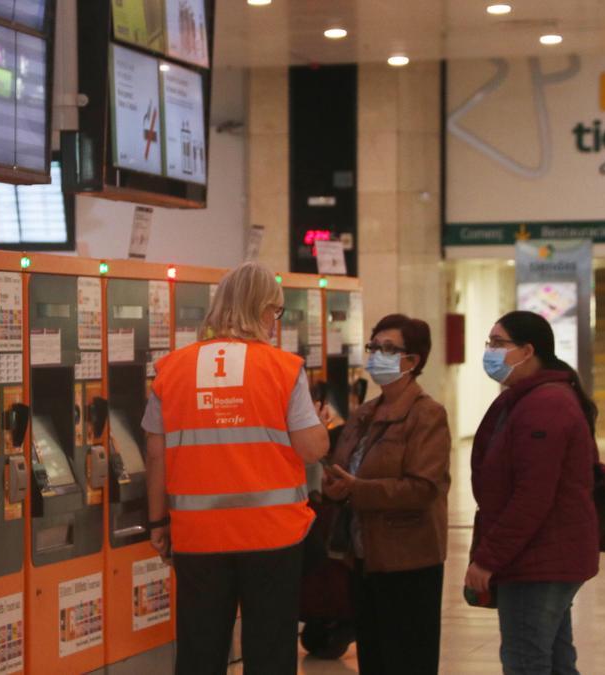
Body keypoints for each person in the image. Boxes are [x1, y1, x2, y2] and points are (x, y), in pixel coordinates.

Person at [141, 261, 330, 675]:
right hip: (272, 535)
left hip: (197, 535)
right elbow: (312, 449)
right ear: (262, 309)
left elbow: (156, 455)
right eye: (276, 312)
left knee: (199, 650)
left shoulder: (170, 370)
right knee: (269, 650)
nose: (275, 322)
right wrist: (321, 421)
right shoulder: (283, 369)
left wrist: (157, 523)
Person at [467, 311, 599, 675]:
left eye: (498, 343)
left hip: (538, 560)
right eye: (489, 343)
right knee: (554, 662)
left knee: (526, 662)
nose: (490, 352)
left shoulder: (545, 404)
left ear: (527, 350)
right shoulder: (528, 398)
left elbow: (532, 495)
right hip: (543, 555)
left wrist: (488, 558)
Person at [323, 314, 452, 675]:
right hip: (363, 557)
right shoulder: (364, 413)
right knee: (375, 657)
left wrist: (357, 490)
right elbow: (343, 468)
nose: (377, 355)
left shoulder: (426, 415)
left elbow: (423, 487)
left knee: (407, 658)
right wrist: (334, 487)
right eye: (374, 347)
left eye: (389, 349)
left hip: (408, 559)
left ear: (412, 361)